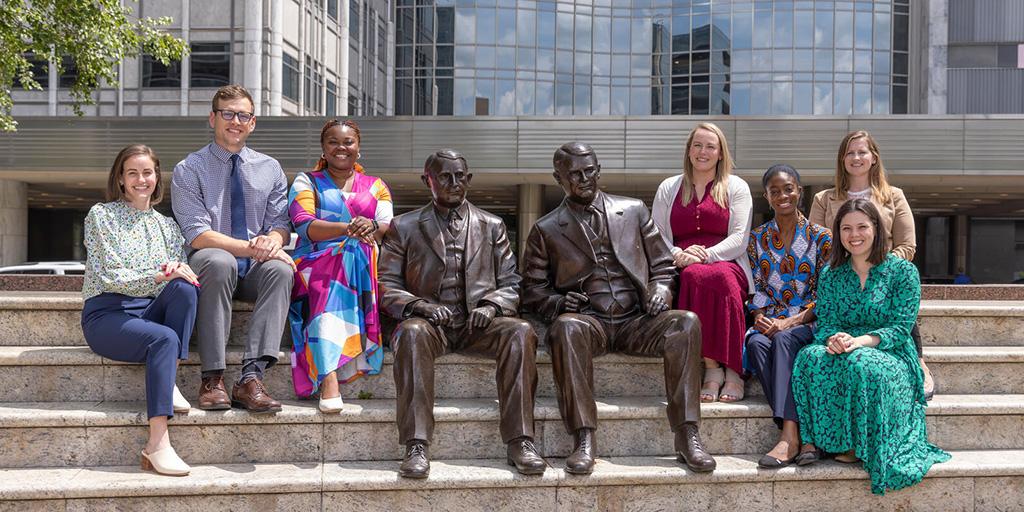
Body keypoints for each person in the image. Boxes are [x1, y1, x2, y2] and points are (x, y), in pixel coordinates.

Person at [522, 141, 715, 475]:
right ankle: (583, 437)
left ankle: (687, 434)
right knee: (566, 328)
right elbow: (530, 289)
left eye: (590, 171)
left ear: (599, 170)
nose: (584, 179)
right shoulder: (546, 228)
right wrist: (557, 301)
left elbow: (663, 265)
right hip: (589, 322)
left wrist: (660, 289)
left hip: (637, 319)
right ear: (559, 178)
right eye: (574, 174)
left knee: (686, 322)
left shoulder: (634, 210)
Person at [378, 149, 545, 479]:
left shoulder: (492, 225)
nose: (455, 183)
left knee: (520, 331)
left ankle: (520, 441)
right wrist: (418, 306)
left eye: (461, 176)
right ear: (428, 180)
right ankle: (416, 444)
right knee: (411, 333)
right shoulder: (404, 226)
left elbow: (513, 281)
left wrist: (493, 305)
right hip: (429, 325)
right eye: (445, 176)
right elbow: (385, 284)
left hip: (477, 324)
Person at [792, 198, 950, 494]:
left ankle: (861, 443)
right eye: (846, 228)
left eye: (862, 226)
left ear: (877, 229)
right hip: (845, 344)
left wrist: (860, 341)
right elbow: (826, 321)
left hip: (890, 351)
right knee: (809, 357)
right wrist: (833, 338)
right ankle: (830, 440)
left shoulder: (902, 271)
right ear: (837, 232)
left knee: (862, 362)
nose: (855, 235)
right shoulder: (831, 274)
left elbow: (901, 327)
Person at [172, 84, 295, 414]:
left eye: (243, 115)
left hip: (255, 270)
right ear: (213, 118)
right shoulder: (189, 169)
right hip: (212, 265)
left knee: (281, 269)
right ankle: (212, 378)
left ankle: (251, 377)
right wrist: (253, 248)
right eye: (228, 114)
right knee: (219, 260)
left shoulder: (270, 168)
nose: (235, 121)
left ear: (252, 123)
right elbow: (198, 235)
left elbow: (281, 222)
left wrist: (275, 241)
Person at [81, 145, 200, 476]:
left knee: (185, 286)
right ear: (120, 179)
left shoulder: (168, 225)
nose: (140, 179)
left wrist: (174, 273)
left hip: (149, 311)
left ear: (156, 177)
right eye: (132, 172)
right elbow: (111, 275)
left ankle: (169, 373)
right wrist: (162, 273)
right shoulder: (102, 216)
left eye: (147, 172)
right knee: (164, 337)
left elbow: (174, 281)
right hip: (108, 314)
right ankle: (156, 444)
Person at [809, 130, 934, 400]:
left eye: (862, 152)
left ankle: (919, 361)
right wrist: (851, 265)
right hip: (843, 273)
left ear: (873, 157)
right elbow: (817, 247)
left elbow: (907, 244)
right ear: (842, 159)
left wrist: (881, 268)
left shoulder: (894, 196)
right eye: (849, 152)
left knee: (890, 298)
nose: (856, 157)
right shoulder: (823, 199)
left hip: (886, 271)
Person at [287, 119, 393, 412]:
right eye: (333, 142)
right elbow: (304, 226)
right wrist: (347, 229)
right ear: (324, 147)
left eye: (348, 142)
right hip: (312, 262)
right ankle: (329, 375)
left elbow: (387, 228)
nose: (341, 147)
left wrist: (369, 225)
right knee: (342, 257)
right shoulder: (306, 181)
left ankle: (328, 372)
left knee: (353, 251)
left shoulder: (376, 187)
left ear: (358, 148)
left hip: (360, 262)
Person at [652, 122, 754, 403]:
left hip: (727, 260)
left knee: (719, 277)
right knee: (694, 276)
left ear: (721, 153)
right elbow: (656, 236)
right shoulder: (668, 188)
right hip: (681, 264)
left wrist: (705, 254)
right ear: (688, 150)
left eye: (710, 146)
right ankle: (712, 369)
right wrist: (678, 255)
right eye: (697, 145)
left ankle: (734, 369)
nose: (703, 151)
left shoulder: (736, 187)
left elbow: (739, 238)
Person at [744, 165, 832, 469]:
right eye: (775, 191)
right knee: (756, 345)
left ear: (799, 191)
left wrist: (790, 322)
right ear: (767, 197)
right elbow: (756, 289)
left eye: (789, 188)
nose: (783, 195)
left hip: (809, 320)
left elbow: (828, 295)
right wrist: (758, 317)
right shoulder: (757, 239)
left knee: (782, 338)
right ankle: (804, 433)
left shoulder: (822, 238)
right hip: (773, 319)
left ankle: (789, 437)